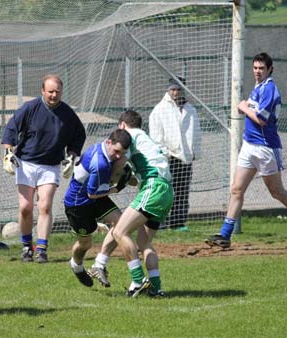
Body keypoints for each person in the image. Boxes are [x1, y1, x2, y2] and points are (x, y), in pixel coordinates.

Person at [205, 52, 287, 249]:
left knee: (277, 192)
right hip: (249, 146)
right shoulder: (258, 87)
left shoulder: (270, 88)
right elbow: (251, 110)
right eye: (255, 68)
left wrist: (243, 107)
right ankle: (225, 235)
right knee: (236, 189)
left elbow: (261, 119)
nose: (257, 71)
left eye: (261, 68)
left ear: (270, 69)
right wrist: (245, 107)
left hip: (265, 148)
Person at [2, 74, 86, 263]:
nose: (54, 95)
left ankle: (41, 249)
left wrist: (71, 156)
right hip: (26, 164)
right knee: (25, 207)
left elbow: (79, 135)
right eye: (50, 91)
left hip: (51, 166)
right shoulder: (30, 108)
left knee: (45, 206)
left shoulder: (68, 114)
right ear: (42, 91)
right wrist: (8, 152)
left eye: (57, 91)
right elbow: (11, 128)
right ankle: (26, 247)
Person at [112, 110, 174, 298]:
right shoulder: (144, 138)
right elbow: (134, 176)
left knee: (119, 232)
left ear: (122, 125)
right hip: (167, 190)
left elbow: (119, 162)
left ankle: (138, 280)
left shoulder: (128, 136)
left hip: (153, 187)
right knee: (144, 242)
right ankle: (156, 288)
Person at [64, 129, 132, 287]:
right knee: (85, 244)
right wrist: (117, 188)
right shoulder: (99, 162)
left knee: (121, 224)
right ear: (109, 142)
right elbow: (92, 193)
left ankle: (99, 265)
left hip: (94, 198)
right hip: (78, 204)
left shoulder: (104, 150)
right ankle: (76, 265)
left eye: (122, 153)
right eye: (116, 151)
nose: (118, 156)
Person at [149, 76, 201, 230]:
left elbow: (196, 132)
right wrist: (164, 152)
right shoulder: (160, 109)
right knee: (164, 190)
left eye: (178, 89)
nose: (176, 93)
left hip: (184, 157)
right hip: (168, 157)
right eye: (173, 89)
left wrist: (195, 152)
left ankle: (178, 222)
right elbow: (156, 135)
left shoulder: (190, 109)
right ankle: (159, 221)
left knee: (182, 191)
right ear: (168, 90)